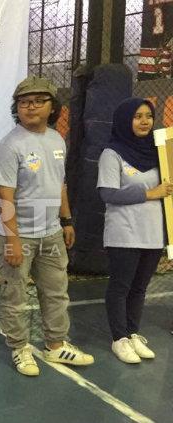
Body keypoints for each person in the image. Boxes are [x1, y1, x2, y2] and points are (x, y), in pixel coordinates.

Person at [0, 76, 94, 377]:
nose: (30, 107)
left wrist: (66, 220)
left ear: (53, 107)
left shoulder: (55, 139)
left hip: (51, 232)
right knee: (15, 296)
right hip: (18, 233)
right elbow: (4, 196)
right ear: (16, 109)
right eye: (24, 103)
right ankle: (20, 348)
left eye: (39, 101)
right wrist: (11, 241)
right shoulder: (10, 146)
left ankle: (55, 345)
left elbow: (59, 184)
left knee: (56, 292)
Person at [97, 97, 171, 363]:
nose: (144, 121)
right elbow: (108, 193)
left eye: (148, 116)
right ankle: (119, 339)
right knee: (121, 287)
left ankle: (133, 333)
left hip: (153, 233)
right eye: (137, 116)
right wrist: (149, 193)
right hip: (124, 233)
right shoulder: (112, 153)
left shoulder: (159, 152)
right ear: (125, 120)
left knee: (140, 288)